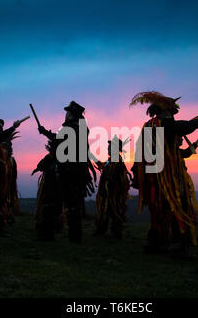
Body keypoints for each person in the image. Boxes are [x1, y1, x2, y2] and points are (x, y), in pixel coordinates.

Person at [130, 91, 198, 258]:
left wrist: (137, 174)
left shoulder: (148, 125)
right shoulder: (163, 124)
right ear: (166, 111)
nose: (173, 115)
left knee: (160, 209)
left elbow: (139, 152)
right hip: (166, 177)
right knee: (175, 206)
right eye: (172, 112)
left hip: (153, 177)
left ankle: (155, 243)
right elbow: (185, 127)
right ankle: (176, 246)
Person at [38, 101, 96, 243]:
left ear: (71, 114)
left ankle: (48, 235)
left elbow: (58, 143)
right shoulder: (82, 129)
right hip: (77, 173)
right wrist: (46, 132)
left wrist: (45, 133)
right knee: (73, 206)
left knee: (51, 201)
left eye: (67, 112)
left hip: (64, 172)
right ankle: (75, 238)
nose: (66, 114)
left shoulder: (70, 128)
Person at [93, 136, 132, 238]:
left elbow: (120, 180)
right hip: (108, 193)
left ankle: (115, 232)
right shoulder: (110, 161)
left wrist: (111, 185)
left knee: (113, 211)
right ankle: (104, 230)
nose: (108, 149)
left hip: (113, 194)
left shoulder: (118, 163)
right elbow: (102, 166)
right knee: (107, 211)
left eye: (110, 147)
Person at [32, 138, 63, 241]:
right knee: (47, 210)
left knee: (54, 211)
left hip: (57, 190)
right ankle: (44, 234)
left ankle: (50, 234)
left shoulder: (62, 159)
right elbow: (40, 166)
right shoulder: (49, 158)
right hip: (48, 188)